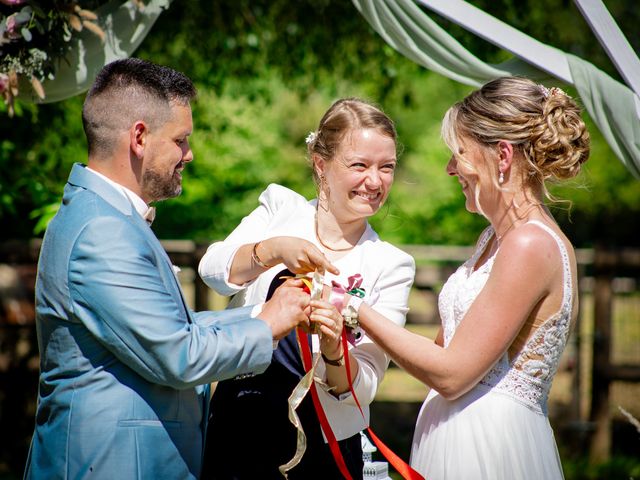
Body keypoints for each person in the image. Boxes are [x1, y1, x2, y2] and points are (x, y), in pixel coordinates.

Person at [23, 58, 310, 480]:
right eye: (181, 140)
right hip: (109, 465)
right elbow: (179, 355)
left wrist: (261, 313)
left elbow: (171, 328)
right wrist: (268, 325)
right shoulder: (102, 229)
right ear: (139, 137)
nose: (189, 155)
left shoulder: (106, 215)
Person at [335, 76, 590, 479]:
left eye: (459, 154)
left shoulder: (529, 244)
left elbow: (451, 374)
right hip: (455, 438)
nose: (450, 168)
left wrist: (350, 307)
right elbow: (442, 351)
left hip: (490, 448)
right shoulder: (495, 238)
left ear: (502, 156)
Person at [198, 98, 415, 479]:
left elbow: (363, 388)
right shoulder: (280, 209)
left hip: (322, 445)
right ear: (321, 163)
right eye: (360, 165)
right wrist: (273, 250)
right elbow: (211, 271)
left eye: (387, 168)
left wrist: (333, 351)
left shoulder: (391, 264)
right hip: (239, 425)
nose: (375, 181)